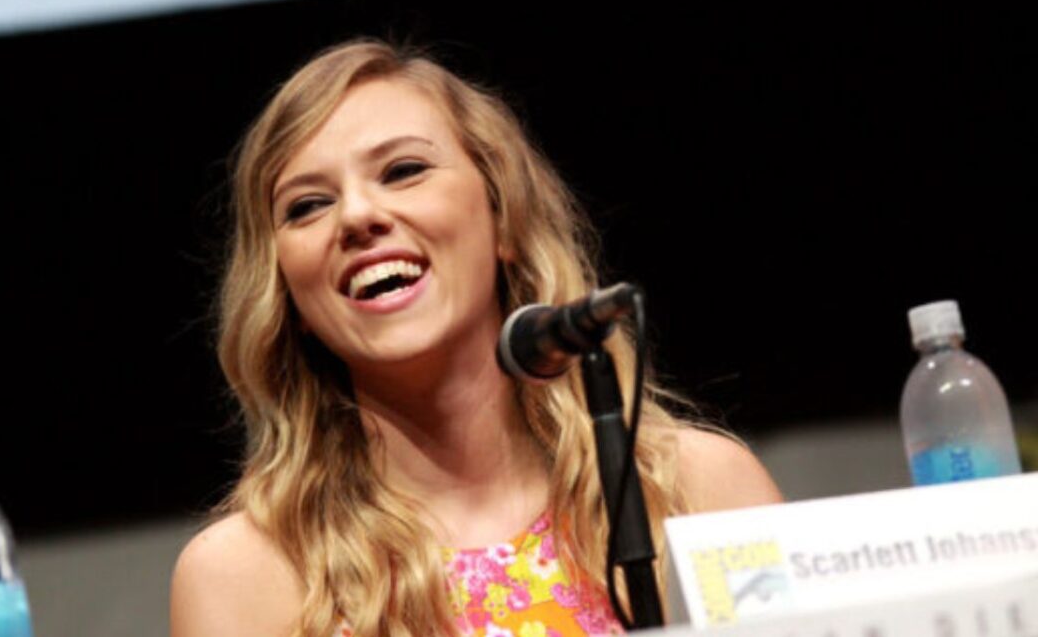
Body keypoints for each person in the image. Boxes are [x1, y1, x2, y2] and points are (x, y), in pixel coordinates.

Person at [171, 39, 782, 637]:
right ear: (286, 292)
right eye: (306, 206)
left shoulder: (699, 493)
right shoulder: (244, 578)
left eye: (403, 171)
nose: (356, 216)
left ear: (503, 217)